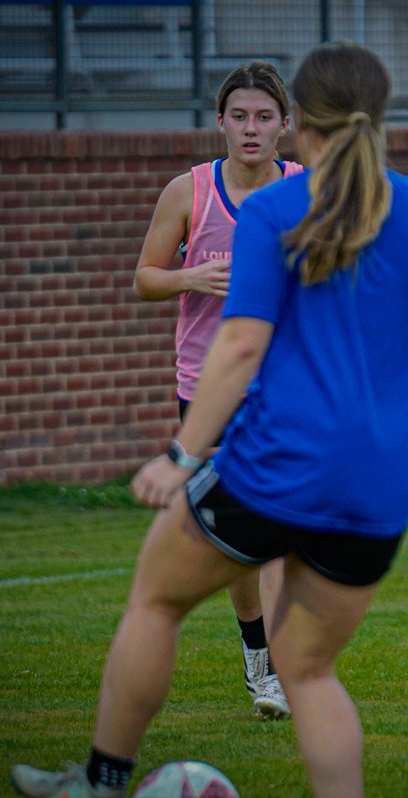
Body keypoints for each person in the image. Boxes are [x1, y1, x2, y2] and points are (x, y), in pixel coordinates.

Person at [11, 41, 408, 798]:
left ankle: (101, 784)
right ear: (379, 119)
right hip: (374, 496)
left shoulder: (275, 206)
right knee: (309, 672)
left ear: (298, 124)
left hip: (269, 472)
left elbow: (241, 343)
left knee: (156, 599)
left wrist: (180, 456)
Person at [132, 61, 304, 722]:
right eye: (240, 116)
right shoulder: (189, 192)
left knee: (282, 530)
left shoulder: (305, 191)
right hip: (208, 387)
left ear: (285, 124)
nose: (252, 128)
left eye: (265, 117)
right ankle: (257, 654)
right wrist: (191, 279)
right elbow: (145, 277)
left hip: (286, 383)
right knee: (238, 543)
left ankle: (282, 667)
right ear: (222, 122)